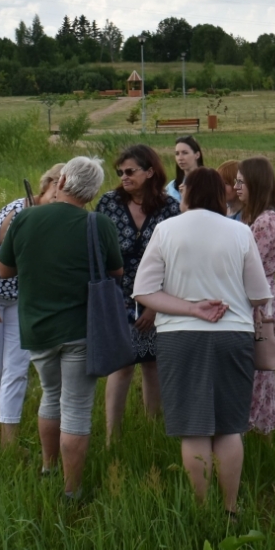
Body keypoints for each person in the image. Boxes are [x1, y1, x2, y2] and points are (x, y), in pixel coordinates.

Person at [134, 168, 272, 515]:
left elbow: (144, 291)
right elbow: (258, 295)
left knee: (193, 429)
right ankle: (229, 507)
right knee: (228, 428)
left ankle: (201, 508)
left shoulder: (165, 230)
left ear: (189, 193)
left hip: (179, 338)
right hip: (232, 335)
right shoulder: (240, 231)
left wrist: (191, 308)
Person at [0, 156, 124, 500]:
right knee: (77, 408)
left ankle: (48, 467)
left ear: (63, 181)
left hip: (37, 328)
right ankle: (72, 490)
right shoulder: (98, 225)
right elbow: (116, 274)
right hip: (82, 330)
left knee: (51, 396)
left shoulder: (24, 218)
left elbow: (4, 270)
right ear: (93, 191)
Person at [0, 164, 64, 447]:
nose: (62, 193)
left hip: (20, 298)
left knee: (17, 368)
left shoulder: (60, 220)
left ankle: (9, 442)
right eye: (59, 184)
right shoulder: (15, 214)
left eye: (69, 188)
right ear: (47, 184)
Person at [93, 144, 180, 443]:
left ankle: (153, 427)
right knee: (121, 366)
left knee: (152, 363)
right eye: (120, 172)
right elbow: (97, 253)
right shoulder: (108, 204)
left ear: (150, 171)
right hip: (116, 298)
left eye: (130, 171)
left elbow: (175, 261)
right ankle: (111, 437)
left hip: (157, 296)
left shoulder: (170, 208)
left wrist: (155, 306)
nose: (124, 177)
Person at [236, 157, 275, 436]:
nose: (236, 186)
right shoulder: (258, 218)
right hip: (259, 295)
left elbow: (247, 265)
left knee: (259, 364)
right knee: (258, 368)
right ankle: (259, 427)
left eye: (241, 182)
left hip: (258, 299)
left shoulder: (266, 221)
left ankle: (254, 425)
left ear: (256, 184)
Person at [167, 135, 205, 203]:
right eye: (177, 154)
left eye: (185, 153)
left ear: (197, 155)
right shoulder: (172, 187)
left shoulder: (210, 183)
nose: (180, 158)